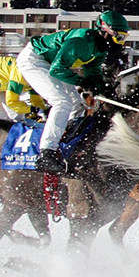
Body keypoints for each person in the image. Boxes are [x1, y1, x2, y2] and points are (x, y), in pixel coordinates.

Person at [15, 10, 128, 175]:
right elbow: (57, 70)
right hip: (35, 59)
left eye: (124, 37)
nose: (120, 43)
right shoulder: (80, 41)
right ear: (105, 31)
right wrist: (81, 82)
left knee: (77, 103)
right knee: (61, 102)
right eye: (118, 37)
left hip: (53, 64)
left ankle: (67, 142)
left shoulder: (100, 48)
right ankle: (46, 152)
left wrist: (104, 89)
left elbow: (92, 72)